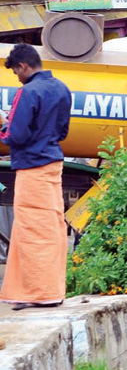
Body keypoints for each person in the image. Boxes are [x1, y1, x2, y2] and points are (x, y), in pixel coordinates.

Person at [0, 44, 72, 311]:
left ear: (23, 66)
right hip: (53, 165)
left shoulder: (27, 92)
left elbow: (14, 137)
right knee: (50, 227)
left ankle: (40, 293)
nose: (17, 77)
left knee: (32, 230)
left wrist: (4, 125)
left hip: (32, 167)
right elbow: (62, 132)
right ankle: (48, 290)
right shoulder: (62, 88)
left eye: (16, 72)